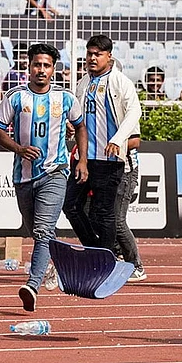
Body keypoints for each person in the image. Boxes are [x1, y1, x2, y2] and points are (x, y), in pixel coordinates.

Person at [0, 43, 88, 312]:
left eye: (46, 65)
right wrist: (19, 148)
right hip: (23, 177)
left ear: (53, 69)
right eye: (37, 65)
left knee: (43, 230)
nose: (41, 70)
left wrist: (82, 160)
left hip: (55, 172)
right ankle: (52, 264)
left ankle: (32, 286)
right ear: (29, 67)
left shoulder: (65, 98)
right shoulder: (16, 97)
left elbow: (80, 126)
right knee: (36, 231)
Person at [62, 34, 142, 253]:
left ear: (109, 56)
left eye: (98, 54)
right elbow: (77, 115)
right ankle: (97, 250)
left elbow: (135, 111)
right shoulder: (83, 82)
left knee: (104, 214)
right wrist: (71, 125)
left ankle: (107, 259)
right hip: (84, 159)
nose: (92, 58)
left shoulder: (120, 81)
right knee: (70, 205)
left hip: (109, 160)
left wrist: (117, 140)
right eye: (89, 54)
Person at [114, 133, 146, 282]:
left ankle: (136, 266)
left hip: (126, 172)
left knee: (118, 221)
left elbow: (135, 142)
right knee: (98, 216)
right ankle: (117, 255)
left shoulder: (130, 118)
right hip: (106, 170)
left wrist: (112, 144)